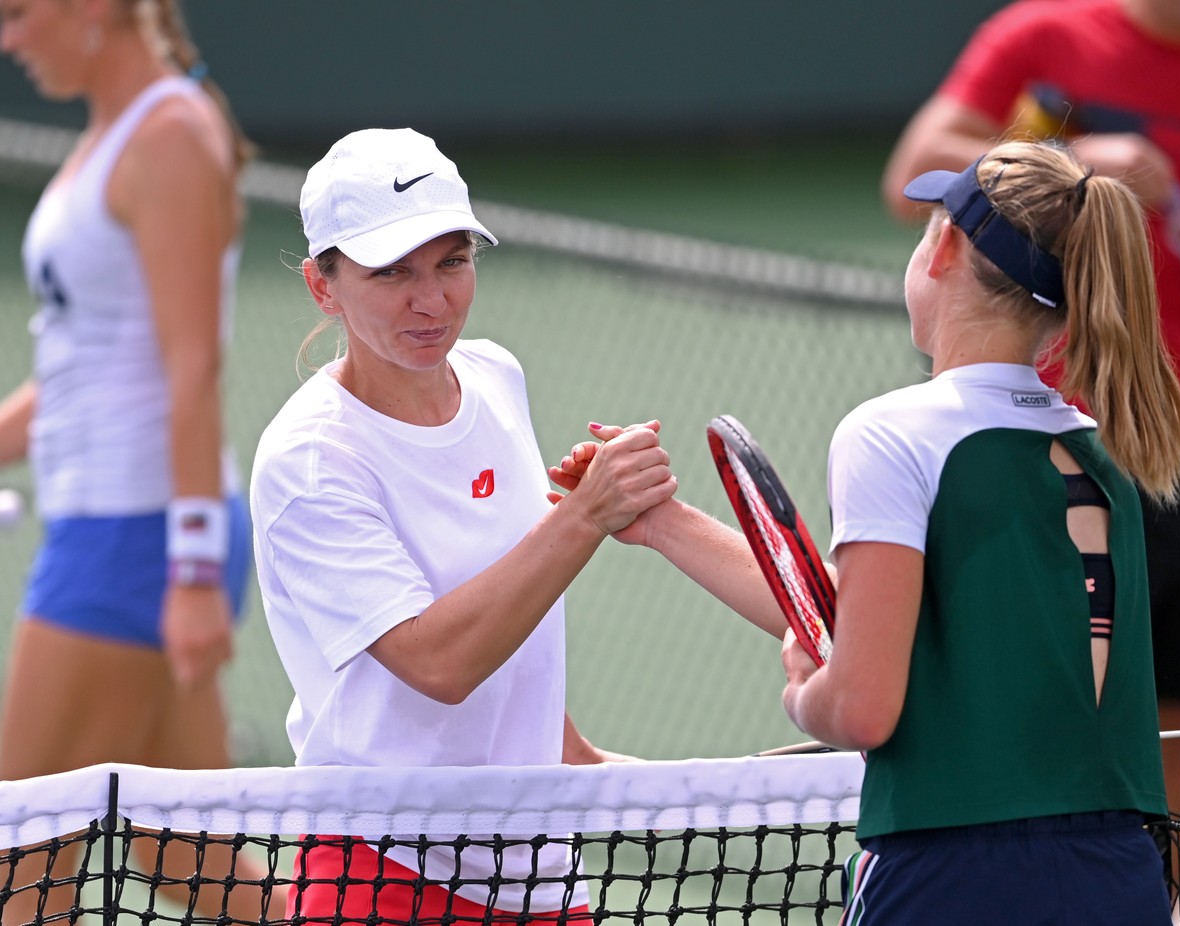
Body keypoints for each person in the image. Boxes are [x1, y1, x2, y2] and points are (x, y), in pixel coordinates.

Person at [552, 138, 1180, 924]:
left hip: (952, 878)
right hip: (1121, 876)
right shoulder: (1105, 450)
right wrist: (662, 523)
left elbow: (860, 707)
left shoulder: (890, 434)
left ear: (944, 246)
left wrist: (804, 692)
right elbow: (863, 613)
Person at [249, 127, 693, 922]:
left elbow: (510, 633)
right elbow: (440, 662)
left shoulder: (495, 374)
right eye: (392, 273)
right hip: (385, 880)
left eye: (452, 261)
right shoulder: (311, 460)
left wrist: (582, 762)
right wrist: (586, 518)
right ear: (325, 287)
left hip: (543, 876)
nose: (432, 300)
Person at [880, 0, 1180, 815]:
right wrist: (1080, 158)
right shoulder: (1042, 36)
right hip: (1041, 431)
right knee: (1012, 692)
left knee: (1165, 717)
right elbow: (916, 171)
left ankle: (1169, 891)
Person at [0, 0, 274, 921]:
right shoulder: (117, 135)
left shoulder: (168, 138)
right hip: (121, 529)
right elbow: (90, 359)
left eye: (17, 14)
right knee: (184, 855)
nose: (8, 41)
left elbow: (189, 369)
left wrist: (192, 573)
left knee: (20, 867)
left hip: (139, 536)